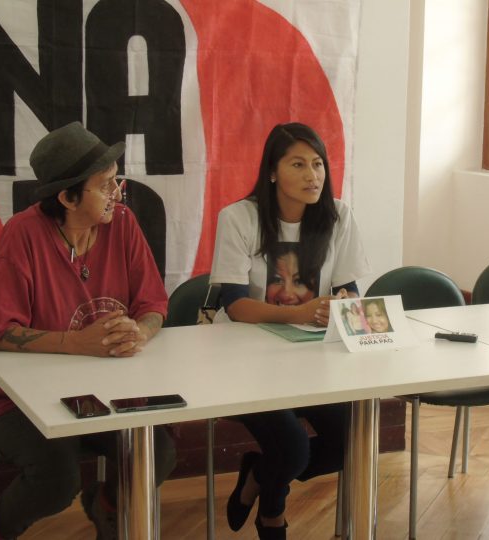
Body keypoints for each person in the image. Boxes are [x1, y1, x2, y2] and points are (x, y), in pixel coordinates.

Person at [0, 122, 176, 539]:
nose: (118, 193)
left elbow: (153, 304)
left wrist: (140, 331)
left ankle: (106, 503)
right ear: (68, 197)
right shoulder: (22, 234)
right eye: (106, 185)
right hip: (20, 399)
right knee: (57, 477)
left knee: (157, 454)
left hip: (108, 391)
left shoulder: (123, 223)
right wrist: (75, 343)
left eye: (117, 181)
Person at [210, 122, 370, 538]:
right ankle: (272, 513)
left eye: (318, 164)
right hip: (243, 359)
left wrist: (344, 304)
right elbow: (235, 305)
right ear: (272, 172)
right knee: (294, 447)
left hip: (312, 357)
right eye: (298, 164)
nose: (312, 175)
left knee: (345, 442)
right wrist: (301, 314)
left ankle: (259, 474)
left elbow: (349, 289)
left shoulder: (339, 216)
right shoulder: (239, 217)